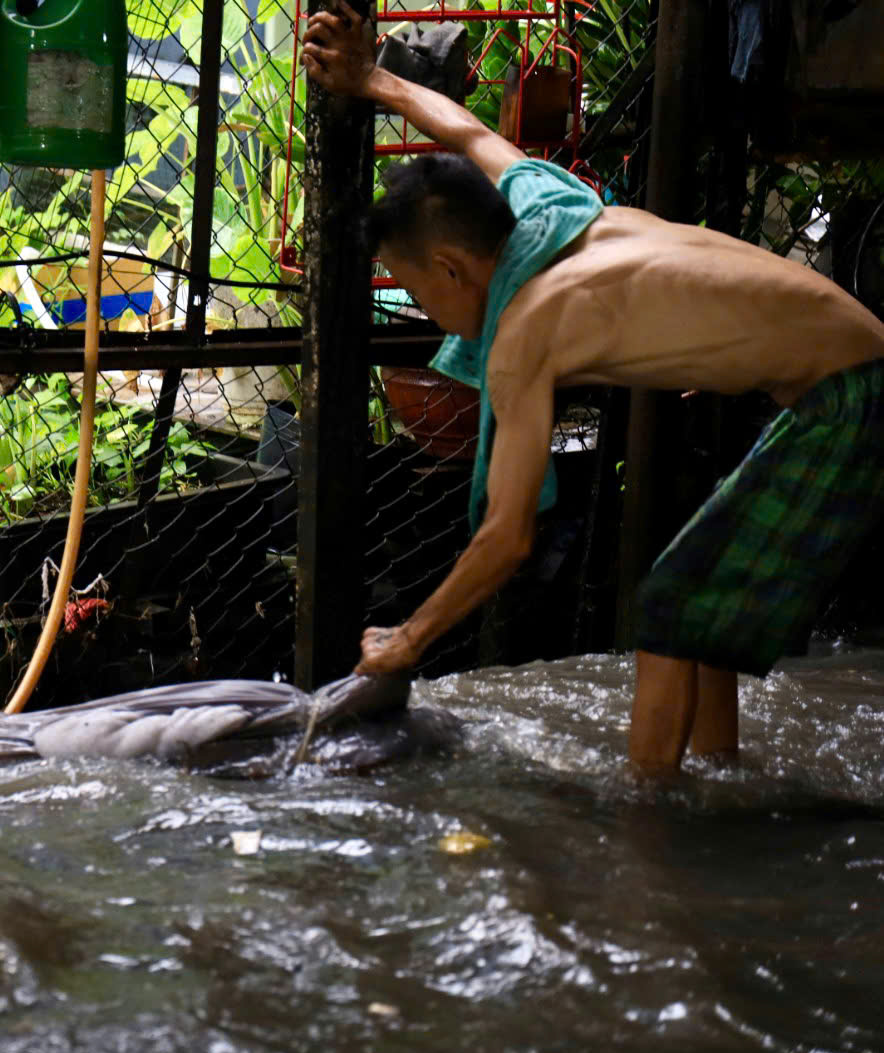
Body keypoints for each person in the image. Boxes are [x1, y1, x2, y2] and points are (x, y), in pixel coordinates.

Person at [301, 7, 884, 776]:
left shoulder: (531, 327)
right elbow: (469, 136)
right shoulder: (543, 204)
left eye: (416, 291)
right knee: (691, 603)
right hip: (844, 378)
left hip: (853, 396)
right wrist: (370, 79)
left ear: (450, 268)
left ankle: (647, 837)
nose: (429, 315)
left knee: (669, 606)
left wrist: (408, 639)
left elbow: (508, 536)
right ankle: (723, 782)